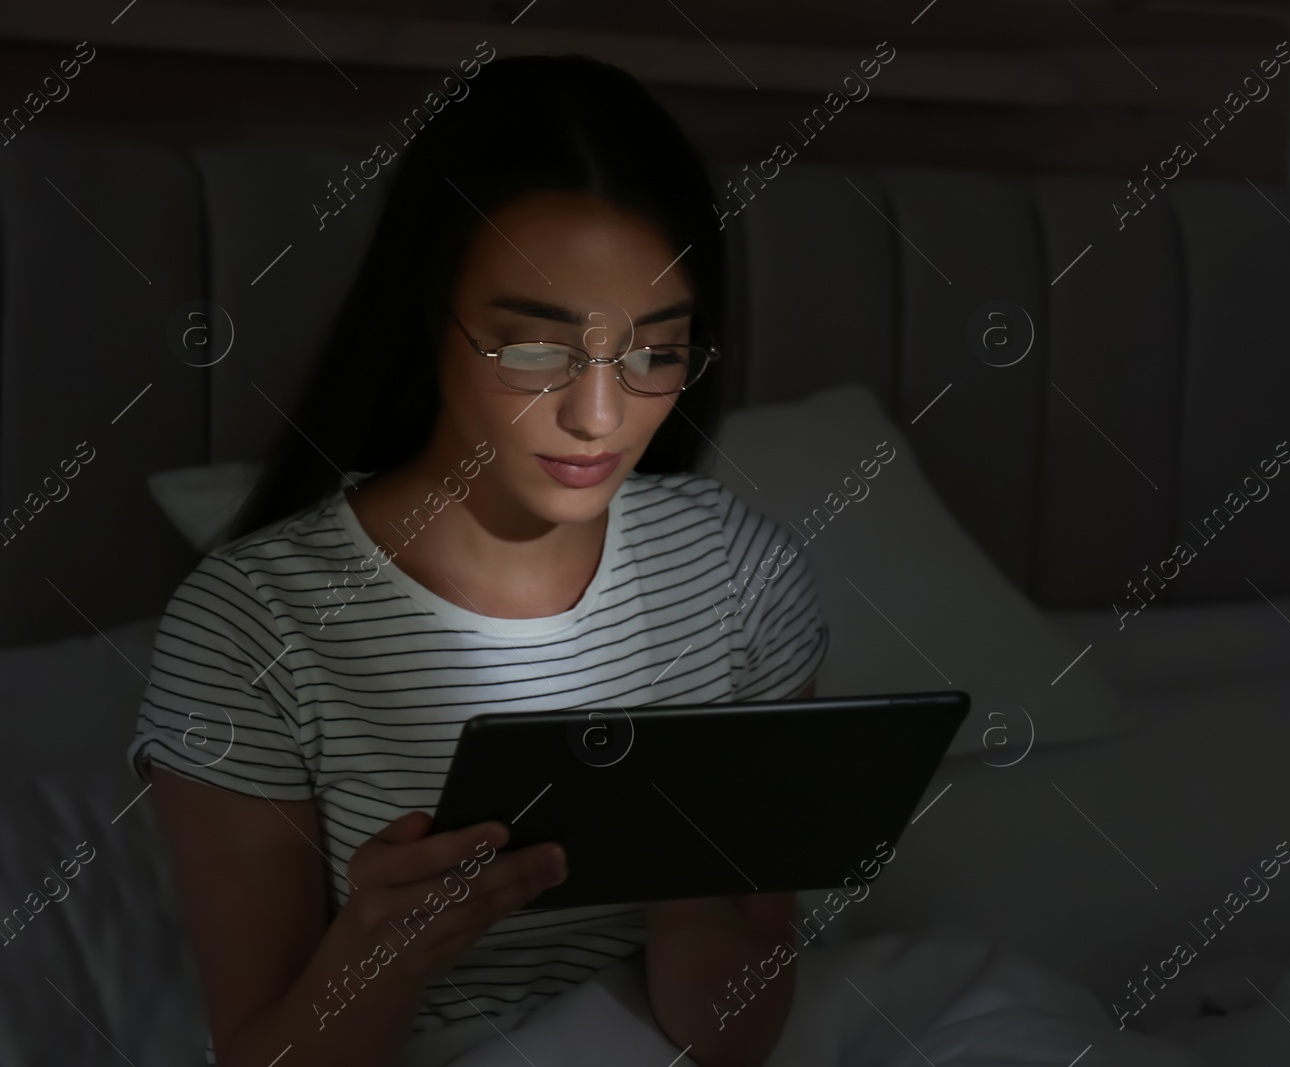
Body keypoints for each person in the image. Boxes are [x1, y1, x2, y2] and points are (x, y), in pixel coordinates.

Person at [125, 53, 828, 1067]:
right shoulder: (250, 625)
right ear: (428, 316)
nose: (598, 416)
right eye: (534, 349)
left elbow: (736, 1030)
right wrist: (382, 955)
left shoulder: (739, 574)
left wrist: (681, 855)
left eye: (655, 352)